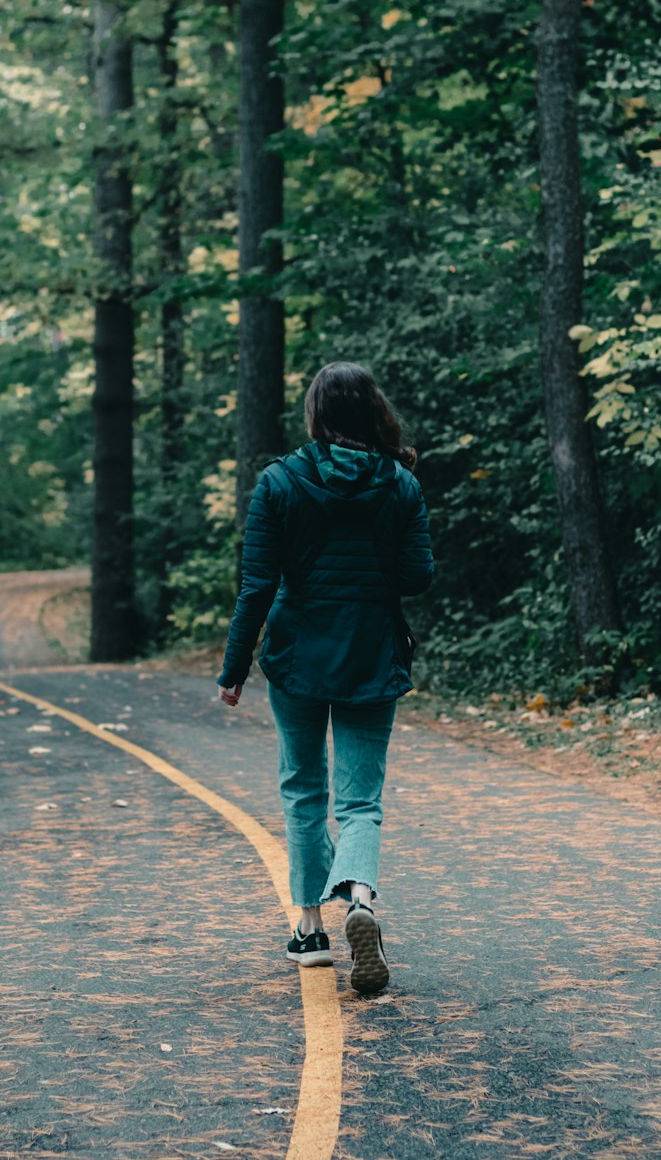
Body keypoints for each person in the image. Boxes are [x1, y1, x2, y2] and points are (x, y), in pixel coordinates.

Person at [217, 362, 434, 995]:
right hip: (371, 653)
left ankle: (310, 931)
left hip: (297, 657)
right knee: (360, 800)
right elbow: (418, 576)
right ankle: (360, 899)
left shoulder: (280, 482)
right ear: (373, 412)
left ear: (315, 414)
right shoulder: (400, 484)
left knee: (303, 791)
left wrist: (234, 670)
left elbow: (257, 585)